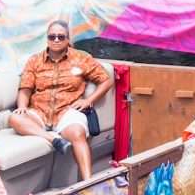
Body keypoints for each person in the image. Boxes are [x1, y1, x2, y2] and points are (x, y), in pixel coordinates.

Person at [7, 20, 114, 179]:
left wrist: (88, 100)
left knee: (78, 133)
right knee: (14, 118)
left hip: (67, 112)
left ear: (68, 39)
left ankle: (88, 182)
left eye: (60, 37)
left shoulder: (81, 58)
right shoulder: (34, 60)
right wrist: (22, 106)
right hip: (39, 112)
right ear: (47, 39)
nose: (56, 40)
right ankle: (52, 138)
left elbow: (106, 80)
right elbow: (25, 88)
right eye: (52, 37)